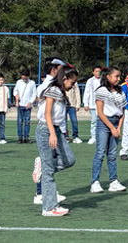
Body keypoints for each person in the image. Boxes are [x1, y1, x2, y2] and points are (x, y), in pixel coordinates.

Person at [34, 60, 78, 217]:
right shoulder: (52, 90)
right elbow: (47, 114)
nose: (73, 86)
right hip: (46, 129)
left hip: (57, 130)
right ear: (64, 78)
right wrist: (52, 133)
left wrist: (60, 132)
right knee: (48, 172)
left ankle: (43, 167)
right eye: (72, 82)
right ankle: (49, 207)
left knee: (69, 160)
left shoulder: (60, 92)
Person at [91, 67, 128, 193]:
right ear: (108, 77)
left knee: (112, 154)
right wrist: (112, 128)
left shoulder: (120, 91)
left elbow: (122, 111)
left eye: (119, 76)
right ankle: (95, 182)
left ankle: (113, 181)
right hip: (104, 123)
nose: (118, 79)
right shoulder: (101, 90)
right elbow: (100, 112)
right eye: (116, 76)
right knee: (100, 153)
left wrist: (118, 128)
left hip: (116, 122)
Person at [14, 69, 37, 144]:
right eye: (23, 78)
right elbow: (15, 91)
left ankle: (26, 137)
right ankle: (20, 138)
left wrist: (30, 102)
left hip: (28, 106)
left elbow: (34, 94)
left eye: (26, 78)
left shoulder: (32, 83)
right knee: (19, 122)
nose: (24, 80)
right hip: (20, 105)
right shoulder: (18, 82)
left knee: (27, 122)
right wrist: (16, 97)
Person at [82, 67, 103, 145]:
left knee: (102, 121)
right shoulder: (90, 81)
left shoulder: (103, 80)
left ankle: (100, 137)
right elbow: (87, 92)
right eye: (96, 71)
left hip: (102, 104)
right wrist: (86, 103)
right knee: (94, 121)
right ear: (93, 72)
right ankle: (93, 137)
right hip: (93, 104)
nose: (98, 73)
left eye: (99, 71)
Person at [65, 77, 83, 144]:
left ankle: (75, 136)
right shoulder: (61, 80)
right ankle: (65, 136)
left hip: (72, 105)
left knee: (74, 121)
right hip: (63, 105)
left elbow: (77, 93)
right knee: (64, 122)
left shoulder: (74, 82)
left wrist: (78, 104)